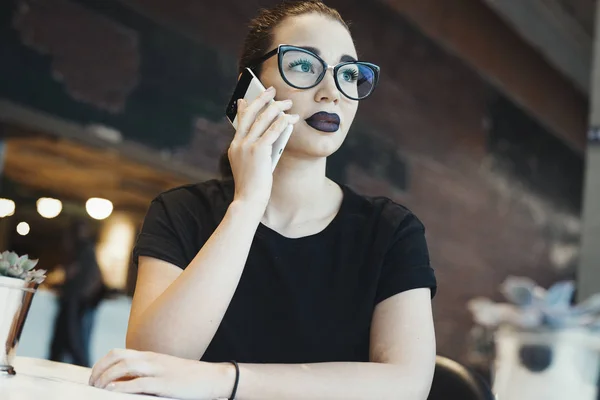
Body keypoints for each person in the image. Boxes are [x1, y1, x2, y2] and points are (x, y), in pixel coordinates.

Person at [89, 1, 437, 398]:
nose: (332, 93)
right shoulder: (181, 212)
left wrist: (225, 380)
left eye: (350, 74)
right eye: (304, 65)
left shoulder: (390, 231)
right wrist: (248, 204)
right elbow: (153, 364)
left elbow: (406, 385)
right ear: (249, 85)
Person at [49, 219, 104, 367]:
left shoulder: (84, 251)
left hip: (76, 303)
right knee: (69, 344)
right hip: (76, 302)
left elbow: (82, 278)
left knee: (75, 344)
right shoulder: (83, 251)